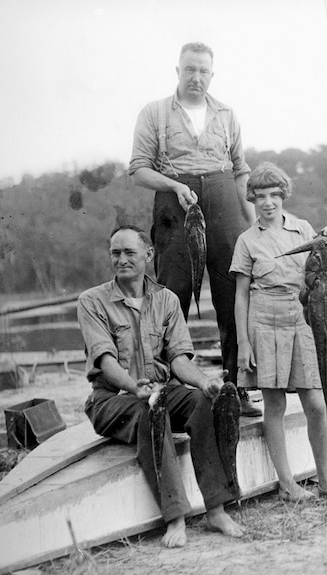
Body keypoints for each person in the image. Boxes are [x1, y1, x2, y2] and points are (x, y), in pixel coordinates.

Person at [77, 225, 245, 548]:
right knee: (151, 410)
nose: (121, 259)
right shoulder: (92, 301)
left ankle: (217, 509)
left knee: (202, 402)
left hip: (160, 391)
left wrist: (206, 382)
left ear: (149, 255)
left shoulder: (166, 300)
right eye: (115, 253)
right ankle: (175, 517)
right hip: (114, 399)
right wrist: (133, 386)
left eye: (129, 252)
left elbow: (179, 360)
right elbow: (107, 361)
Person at [128, 41, 260, 417]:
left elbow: (240, 168)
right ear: (178, 71)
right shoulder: (153, 113)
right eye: (190, 70)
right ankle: (168, 391)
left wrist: (251, 223)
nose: (196, 78)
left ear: (211, 75)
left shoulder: (227, 114)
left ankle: (236, 387)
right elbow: (138, 169)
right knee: (171, 296)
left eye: (203, 71)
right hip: (175, 204)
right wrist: (173, 186)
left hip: (224, 203)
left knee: (234, 293)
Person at [230, 163, 327, 502]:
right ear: (251, 200)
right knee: (273, 405)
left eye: (274, 195)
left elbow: (323, 269)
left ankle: (325, 480)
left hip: (302, 318)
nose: (267, 203)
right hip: (264, 321)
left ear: (283, 196)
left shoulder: (304, 229)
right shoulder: (247, 240)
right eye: (260, 196)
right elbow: (241, 295)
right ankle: (287, 484)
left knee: (317, 405)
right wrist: (244, 343)